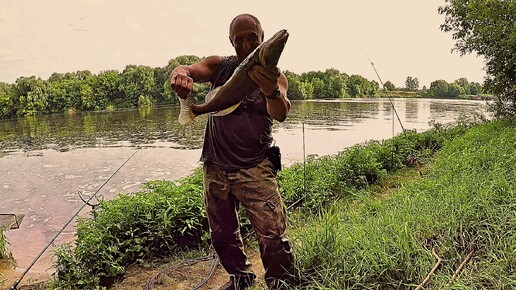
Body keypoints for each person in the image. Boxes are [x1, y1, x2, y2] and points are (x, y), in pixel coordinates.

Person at [170, 13, 294, 290]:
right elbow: (191, 68)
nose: (247, 44)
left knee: (272, 231)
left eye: (253, 37)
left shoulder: (275, 76)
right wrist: (180, 74)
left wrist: (271, 91)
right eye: (239, 39)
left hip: (255, 166)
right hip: (215, 165)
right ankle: (240, 278)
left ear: (262, 38)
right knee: (222, 233)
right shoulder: (219, 66)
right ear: (231, 41)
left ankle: (280, 281)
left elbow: (281, 112)